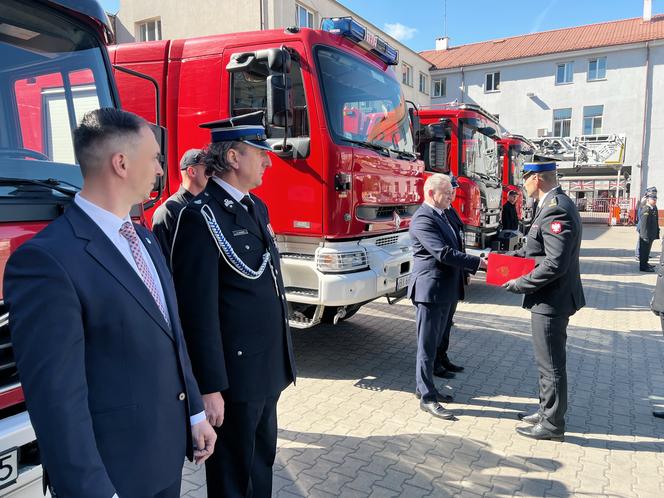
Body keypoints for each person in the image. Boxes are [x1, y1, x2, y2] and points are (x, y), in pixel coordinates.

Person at [3, 108, 216, 497]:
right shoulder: (48, 260)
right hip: (114, 476)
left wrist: (195, 412)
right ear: (121, 163)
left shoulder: (143, 237)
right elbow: (57, 401)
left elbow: (171, 334)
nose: (159, 168)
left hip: (164, 459)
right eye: (153, 157)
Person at [171, 111, 296, 497]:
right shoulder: (200, 216)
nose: (267, 160)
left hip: (266, 369)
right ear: (233, 158)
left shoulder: (256, 207)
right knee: (232, 478)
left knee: (260, 465)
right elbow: (196, 312)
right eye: (259, 151)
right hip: (233, 379)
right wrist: (208, 388)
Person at [503, 160, 585, 441]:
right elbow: (536, 251)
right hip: (552, 297)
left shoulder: (556, 208)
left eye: (524, 178)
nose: (522, 184)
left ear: (536, 179)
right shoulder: (553, 204)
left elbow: (554, 264)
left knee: (550, 364)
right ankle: (545, 410)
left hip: (551, 299)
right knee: (546, 362)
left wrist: (519, 284)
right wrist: (504, 262)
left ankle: (552, 425)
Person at [408, 174, 486, 420]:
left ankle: (428, 387)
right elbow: (442, 253)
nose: (451, 197)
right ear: (431, 193)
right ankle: (427, 397)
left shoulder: (442, 214)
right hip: (430, 292)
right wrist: (480, 262)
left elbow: (456, 246)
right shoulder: (423, 219)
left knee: (436, 342)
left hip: (446, 288)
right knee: (426, 347)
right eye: (447, 194)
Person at [433, 175, 468, 379]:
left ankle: (443, 357)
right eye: (449, 190)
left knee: (447, 323)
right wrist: (476, 263)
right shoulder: (437, 215)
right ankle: (435, 363)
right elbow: (444, 251)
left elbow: (460, 243)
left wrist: (464, 272)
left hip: (455, 277)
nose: (452, 194)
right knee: (438, 326)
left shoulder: (450, 212)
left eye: (454, 190)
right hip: (442, 280)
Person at [152, 148, 208, 265]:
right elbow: (163, 263)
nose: (213, 173)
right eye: (208, 169)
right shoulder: (167, 211)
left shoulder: (209, 206)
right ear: (192, 171)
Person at [638, 192, 660, 272]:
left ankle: (645, 263)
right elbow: (643, 225)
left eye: (655, 199)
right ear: (648, 200)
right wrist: (644, 236)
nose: (654, 200)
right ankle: (643, 267)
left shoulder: (652, 208)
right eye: (653, 199)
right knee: (644, 251)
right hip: (646, 235)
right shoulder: (646, 209)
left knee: (647, 251)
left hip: (650, 234)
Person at [636, 187, 657, 260]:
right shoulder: (644, 201)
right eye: (653, 193)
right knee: (641, 241)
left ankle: (645, 255)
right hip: (642, 225)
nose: (654, 195)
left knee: (646, 242)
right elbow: (640, 215)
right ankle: (638, 255)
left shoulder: (651, 201)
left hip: (647, 226)